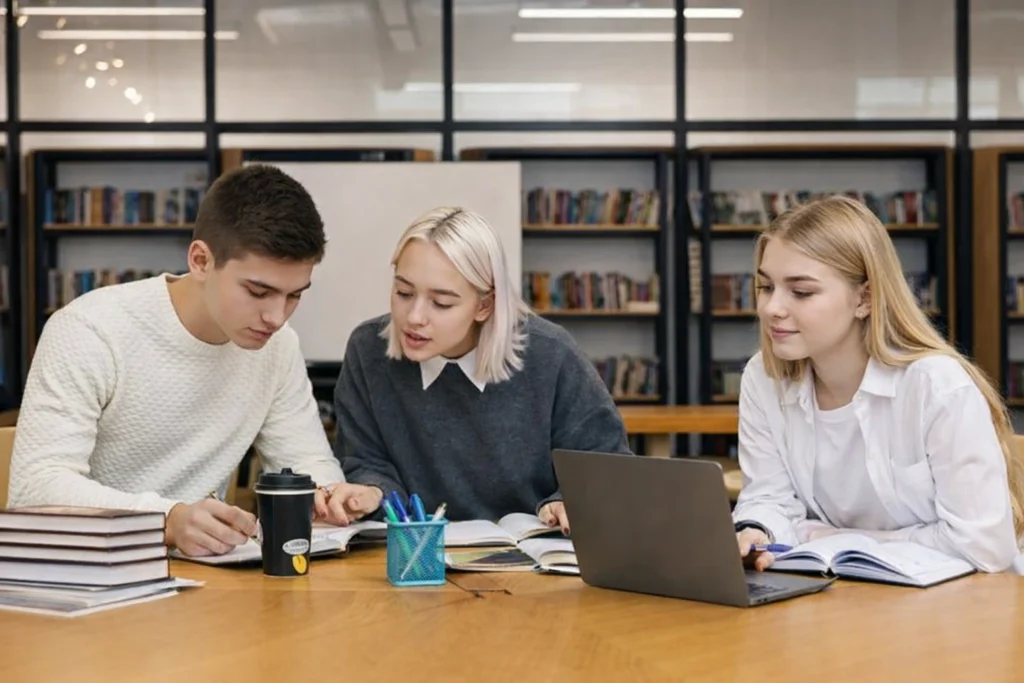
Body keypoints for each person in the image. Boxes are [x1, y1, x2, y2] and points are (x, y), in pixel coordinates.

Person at [8, 164, 349, 557]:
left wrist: (329, 495)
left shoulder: (278, 346)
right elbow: (35, 490)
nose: (277, 316)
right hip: (92, 573)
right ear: (201, 260)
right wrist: (166, 520)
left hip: (205, 578)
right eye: (258, 291)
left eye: (294, 295)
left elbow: (306, 461)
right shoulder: (90, 330)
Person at [732, 195, 1024, 574]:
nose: (772, 308)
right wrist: (757, 529)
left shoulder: (936, 385)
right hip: (839, 596)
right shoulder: (763, 377)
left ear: (864, 298)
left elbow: (985, 549)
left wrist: (834, 537)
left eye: (801, 292)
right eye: (766, 287)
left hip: (958, 606)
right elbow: (768, 496)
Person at [325, 207, 631, 533]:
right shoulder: (367, 350)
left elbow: (606, 463)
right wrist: (370, 493)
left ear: (484, 305)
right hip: (414, 558)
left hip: (532, 558)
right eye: (403, 292)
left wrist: (567, 499)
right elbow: (364, 461)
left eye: (441, 303)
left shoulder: (551, 353)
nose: (414, 316)